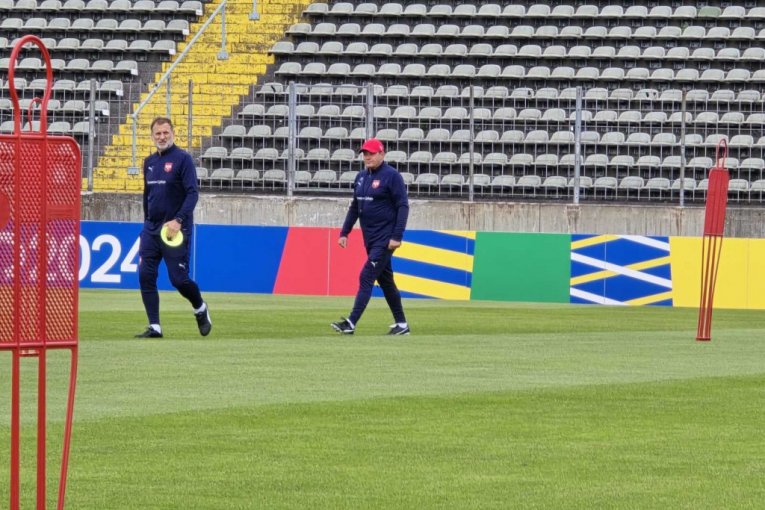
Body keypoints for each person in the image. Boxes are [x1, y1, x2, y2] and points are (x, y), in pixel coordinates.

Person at [135, 117, 211, 338]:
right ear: (152, 136)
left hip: (175, 229)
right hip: (151, 229)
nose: (162, 137)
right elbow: (147, 195)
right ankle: (155, 326)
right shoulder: (149, 162)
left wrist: (178, 220)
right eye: (158, 133)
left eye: (165, 132)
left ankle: (200, 307)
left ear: (173, 134)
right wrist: (147, 222)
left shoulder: (183, 159)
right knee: (145, 275)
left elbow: (192, 194)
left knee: (178, 279)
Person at [331, 138, 410, 336]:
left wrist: (397, 236)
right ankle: (402, 325)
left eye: (371, 153)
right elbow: (355, 207)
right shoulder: (361, 177)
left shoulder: (392, 176)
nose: (367, 157)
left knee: (366, 276)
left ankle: (351, 322)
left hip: (385, 240)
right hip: (370, 239)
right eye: (365, 154)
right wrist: (344, 232)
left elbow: (403, 206)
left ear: (382, 154)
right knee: (386, 282)